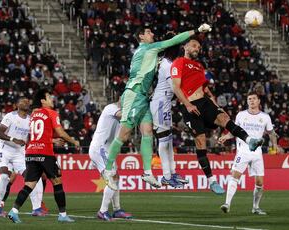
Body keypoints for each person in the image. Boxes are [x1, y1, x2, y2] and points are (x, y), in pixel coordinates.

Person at [103, 24, 213, 190]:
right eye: (148, 32)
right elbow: (173, 42)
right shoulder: (148, 48)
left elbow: (170, 49)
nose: (152, 33)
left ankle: (148, 172)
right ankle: (108, 168)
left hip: (144, 97)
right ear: (141, 37)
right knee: (124, 134)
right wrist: (197, 31)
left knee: (147, 132)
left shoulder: (155, 56)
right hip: (135, 93)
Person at [171, 38, 263, 194]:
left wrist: (217, 106)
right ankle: (211, 181)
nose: (197, 48)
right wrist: (187, 104)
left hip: (205, 102)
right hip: (190, 106)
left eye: (199, 47)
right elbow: (175, 87)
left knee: (225, 119)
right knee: (200, 141)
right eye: (194, 45)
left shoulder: (200, 67)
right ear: (185, 46)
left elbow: (205, 90)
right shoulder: (179, 62)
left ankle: (250, 141)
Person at [7, 89, 80, 223]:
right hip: (45, 153)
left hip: (30, 153)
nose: (52, 99)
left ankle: (14, 211)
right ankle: (63, 215)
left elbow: (35, 135)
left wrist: (51, 140)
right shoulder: (51, 113)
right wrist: (74, 141)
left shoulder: (33, 115)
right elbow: (61, 132)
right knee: (57, 182)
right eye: (49, 97)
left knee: (29, 185)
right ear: (42, 101)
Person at [219, 92, 278, 215]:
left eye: (253, 99)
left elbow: (271, 133)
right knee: (235, 175)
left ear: (258, 101)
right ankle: (227, 204)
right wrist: (226, 136)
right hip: (243, 150)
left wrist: (275, 145)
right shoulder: (241, 115)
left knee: (260, 183)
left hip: (257, 153)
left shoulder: (265, 117)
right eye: (249, 99)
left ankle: (255, 207)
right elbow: (235, 131)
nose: (251, 101)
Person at [0, 97, 45, 217]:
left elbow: (32, 137)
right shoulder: (10, 116)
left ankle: (36, 209)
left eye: (27, 101)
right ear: (17, 105)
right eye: (23, 101)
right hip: (4, 147)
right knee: (4, 175)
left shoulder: (31, 120)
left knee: (32, 177)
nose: (26, 102)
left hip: (18, 151)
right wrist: (13, 139)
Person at [150, 32, 188, 188]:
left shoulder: (164, 62)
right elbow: (174, 87)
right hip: (160, 102)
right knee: (164, 138)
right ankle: (166, 176)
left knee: (168, 139)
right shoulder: (167, 66)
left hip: (164, 102)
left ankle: (172, 173)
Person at [88, 96, 133, 221]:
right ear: (120, 98)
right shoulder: (111, 108)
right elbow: (123, 115)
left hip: (107, 151)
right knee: (112, 177)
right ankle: (102, 211)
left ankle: (117, 209)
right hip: (100, 148)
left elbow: (124, 137)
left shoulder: (122, 119)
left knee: (115, 177)